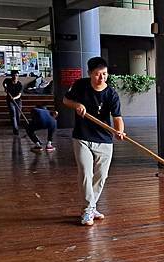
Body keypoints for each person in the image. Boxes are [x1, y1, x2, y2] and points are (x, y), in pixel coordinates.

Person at [63, 57, 125, 226]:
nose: (102, 78)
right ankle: (88, 209)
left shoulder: (111, 93)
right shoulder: (80, 86)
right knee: (85, 172)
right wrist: (76, 105)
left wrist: (119, 131)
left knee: (102, 176)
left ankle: (91, 205)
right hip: (82, 137)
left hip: (104, 139)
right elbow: (65, 100)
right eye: (98, 74)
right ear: (90, 73)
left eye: (104, 74)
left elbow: (117, 117)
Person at [2, 70, 23, 135]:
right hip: (10, 100)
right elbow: (4, 83)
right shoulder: (7, 80)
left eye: (16, 75)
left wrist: (14, 98)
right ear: (11, 76)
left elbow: (19, 95)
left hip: (18, 100)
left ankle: (17, 126)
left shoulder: (19, 84)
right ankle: (15, 130)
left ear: (18, 76)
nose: (15, 77)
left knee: (18, 115)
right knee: (13, 114)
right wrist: (5, 88)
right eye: (14, 75)